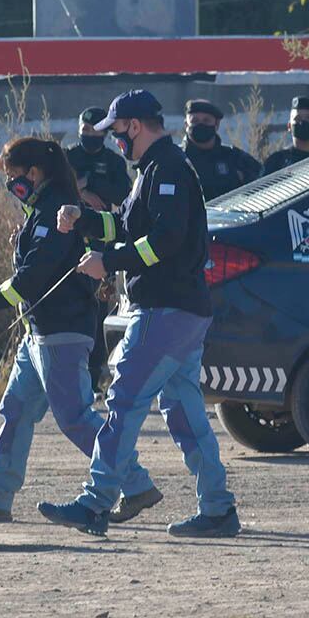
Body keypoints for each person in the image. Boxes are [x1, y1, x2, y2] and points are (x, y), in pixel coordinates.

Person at [38, 89, 240, 539]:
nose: (114, 141)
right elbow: (127, 227)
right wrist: (85, 219)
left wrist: (106, 263)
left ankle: (95, 503)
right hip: (180, 311)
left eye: (117, 132)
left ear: (134, 126)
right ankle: (218, 509)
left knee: (125, 400)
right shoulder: (152, 170)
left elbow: (164, 242)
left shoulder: (166, 169)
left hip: (167, 311)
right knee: (184, 410)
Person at [0, 137, 162, 524]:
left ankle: (136, 484)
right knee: (16, 409)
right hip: (38, 334)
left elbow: (31, 278)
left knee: (76, 418)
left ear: (35, 173)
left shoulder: (53, 212)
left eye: (14, 175)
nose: (11, 183)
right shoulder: (41, 211)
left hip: (61, 332)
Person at [65, 106, 133, 395]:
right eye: (85, 131)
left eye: (96, 132)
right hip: (71, 240)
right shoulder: (68, 157)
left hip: (102, 241)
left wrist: (90, 184)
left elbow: (123, 196)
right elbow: (57, 189)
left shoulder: (113, 162)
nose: (90, 136)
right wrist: (80, 193)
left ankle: (93, 379)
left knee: (97, 309)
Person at [180, 98, 261, 201]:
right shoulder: (176, 159)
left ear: (216, 124)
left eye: (206, 120)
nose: (201, 125)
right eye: (194, 121)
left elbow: (263, 187)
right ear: (186, 125)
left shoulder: (236, 158)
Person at [262, 96, 309, 175]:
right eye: (297, 119)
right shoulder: (277, 162)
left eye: (308, 118)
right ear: (289, 126)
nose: (303, 122)